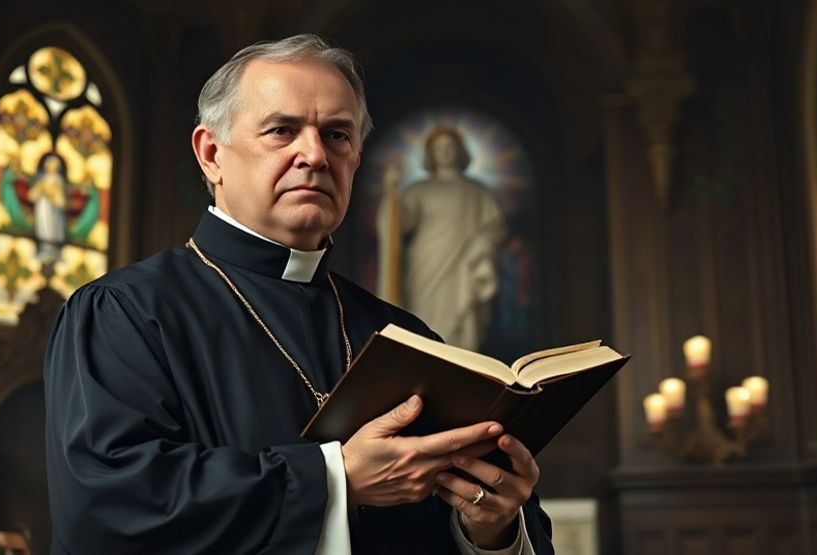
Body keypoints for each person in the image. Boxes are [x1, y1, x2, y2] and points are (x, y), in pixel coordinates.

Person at [44, 34, 553, 554]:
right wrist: (337, 479)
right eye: (281, 131)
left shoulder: (405, 334)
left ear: (356, 160)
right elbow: (107, 507)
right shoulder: (123, 312)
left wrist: (490, 528)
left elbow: (472, 514)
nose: (314, 154)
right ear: (212, 154)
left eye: (337, 135)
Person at [378, 128, 506, 350]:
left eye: (450, 147)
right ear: (431, 154)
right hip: (427, 265)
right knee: (427, 322)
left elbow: (495, 227)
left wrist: (481, 244)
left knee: (465, 327)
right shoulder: (419, 190)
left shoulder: (477, 191)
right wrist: (391, 194)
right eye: (439, 148)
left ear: (460, 152)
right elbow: (397, 224)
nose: (445, 152)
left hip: (465, 265)